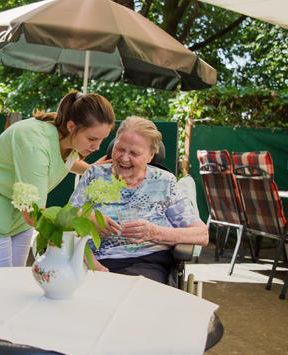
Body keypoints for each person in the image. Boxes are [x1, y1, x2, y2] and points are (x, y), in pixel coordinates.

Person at [0, 90, 117, 268]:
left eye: (101, 140)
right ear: (72, 126)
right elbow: (34, 214)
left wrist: (89, 169)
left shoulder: (67, 139)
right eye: (92, 139)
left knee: (17, 279)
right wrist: (86, 218)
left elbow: (59, 160)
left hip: (19, 215)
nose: (97, 147)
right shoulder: (35, 144)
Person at [70, 116, 208, 284]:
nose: (124, 158)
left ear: (150, 156)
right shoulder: (94, 175)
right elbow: (65, 221)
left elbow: (201, 234)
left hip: (144, 262)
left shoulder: (165, 182)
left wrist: (154, 233)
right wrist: (87, 219)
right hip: (92, 262)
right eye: (120, 149)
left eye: (134, 153)